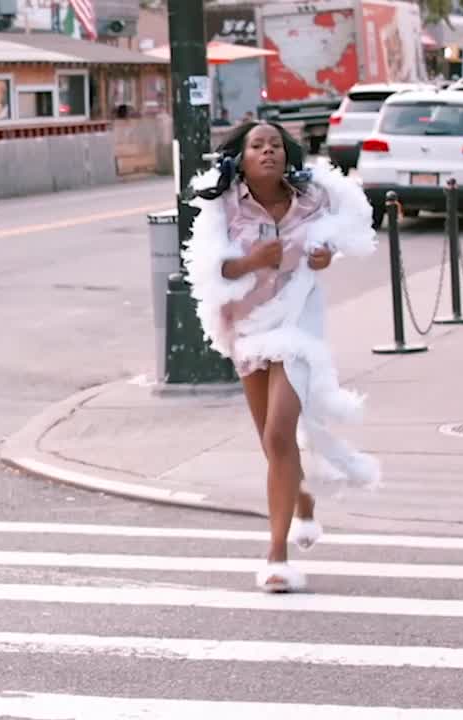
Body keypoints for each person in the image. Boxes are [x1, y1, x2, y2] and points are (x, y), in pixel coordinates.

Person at [183, 122, 381, 593]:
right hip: (248, 326)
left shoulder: (311, 198)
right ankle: (301, 495)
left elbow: (342, 231)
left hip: (297, 324)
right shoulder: (223, 205)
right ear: (242, 158)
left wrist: (324, 255)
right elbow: (209, 268)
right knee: (273, 444)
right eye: (257, 145)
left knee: (278, 431)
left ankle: (276, 555)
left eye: (275, 144)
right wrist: (253, 260)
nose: (268, 151)